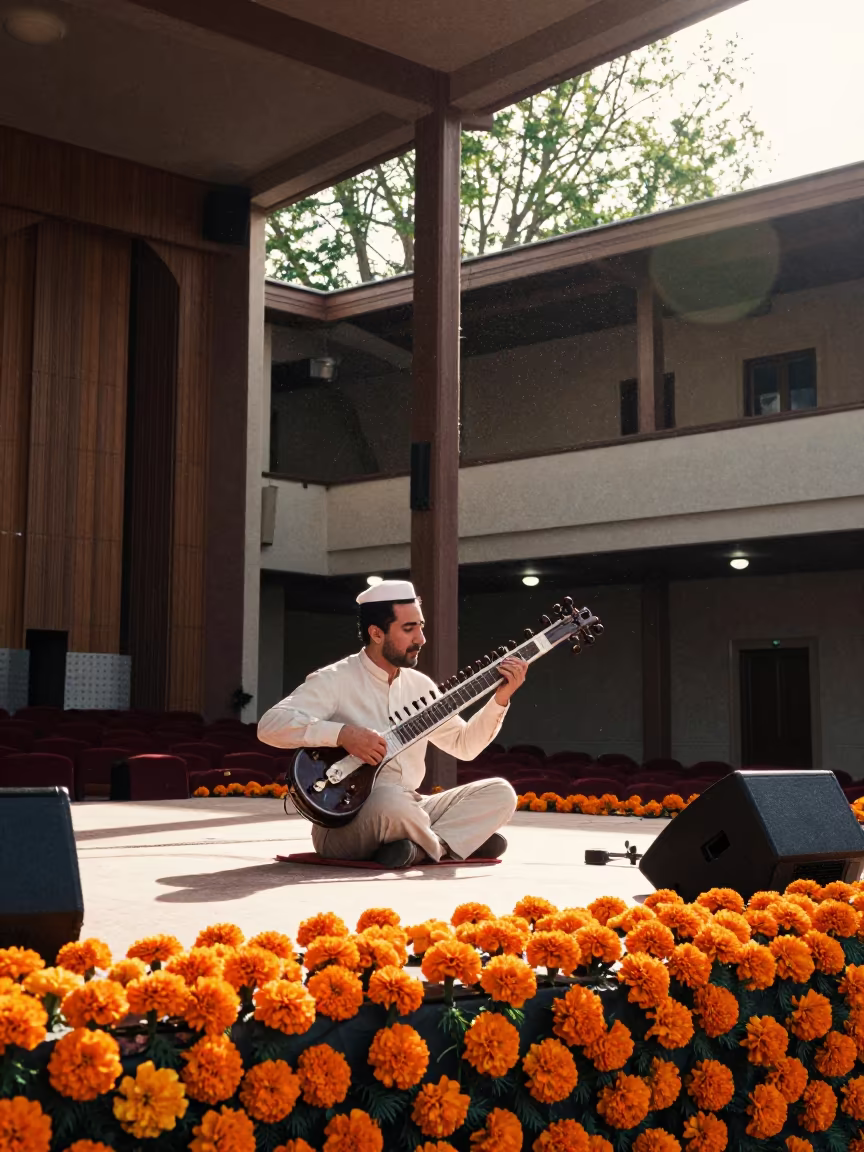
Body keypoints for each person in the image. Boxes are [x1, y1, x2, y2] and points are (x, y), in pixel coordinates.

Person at [258, 579, 526, 868]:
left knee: (500, 792)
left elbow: (465, 745)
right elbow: (270, 725)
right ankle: (451, 843)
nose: (421, 639)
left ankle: (417, 848)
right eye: (409, 629)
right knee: (391, 802)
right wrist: (343, 734)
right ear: (376, 633)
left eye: (421, 627)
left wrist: (500, 698)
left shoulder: (420, 687)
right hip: (346, 821)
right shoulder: (335, 679)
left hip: (411, 807)